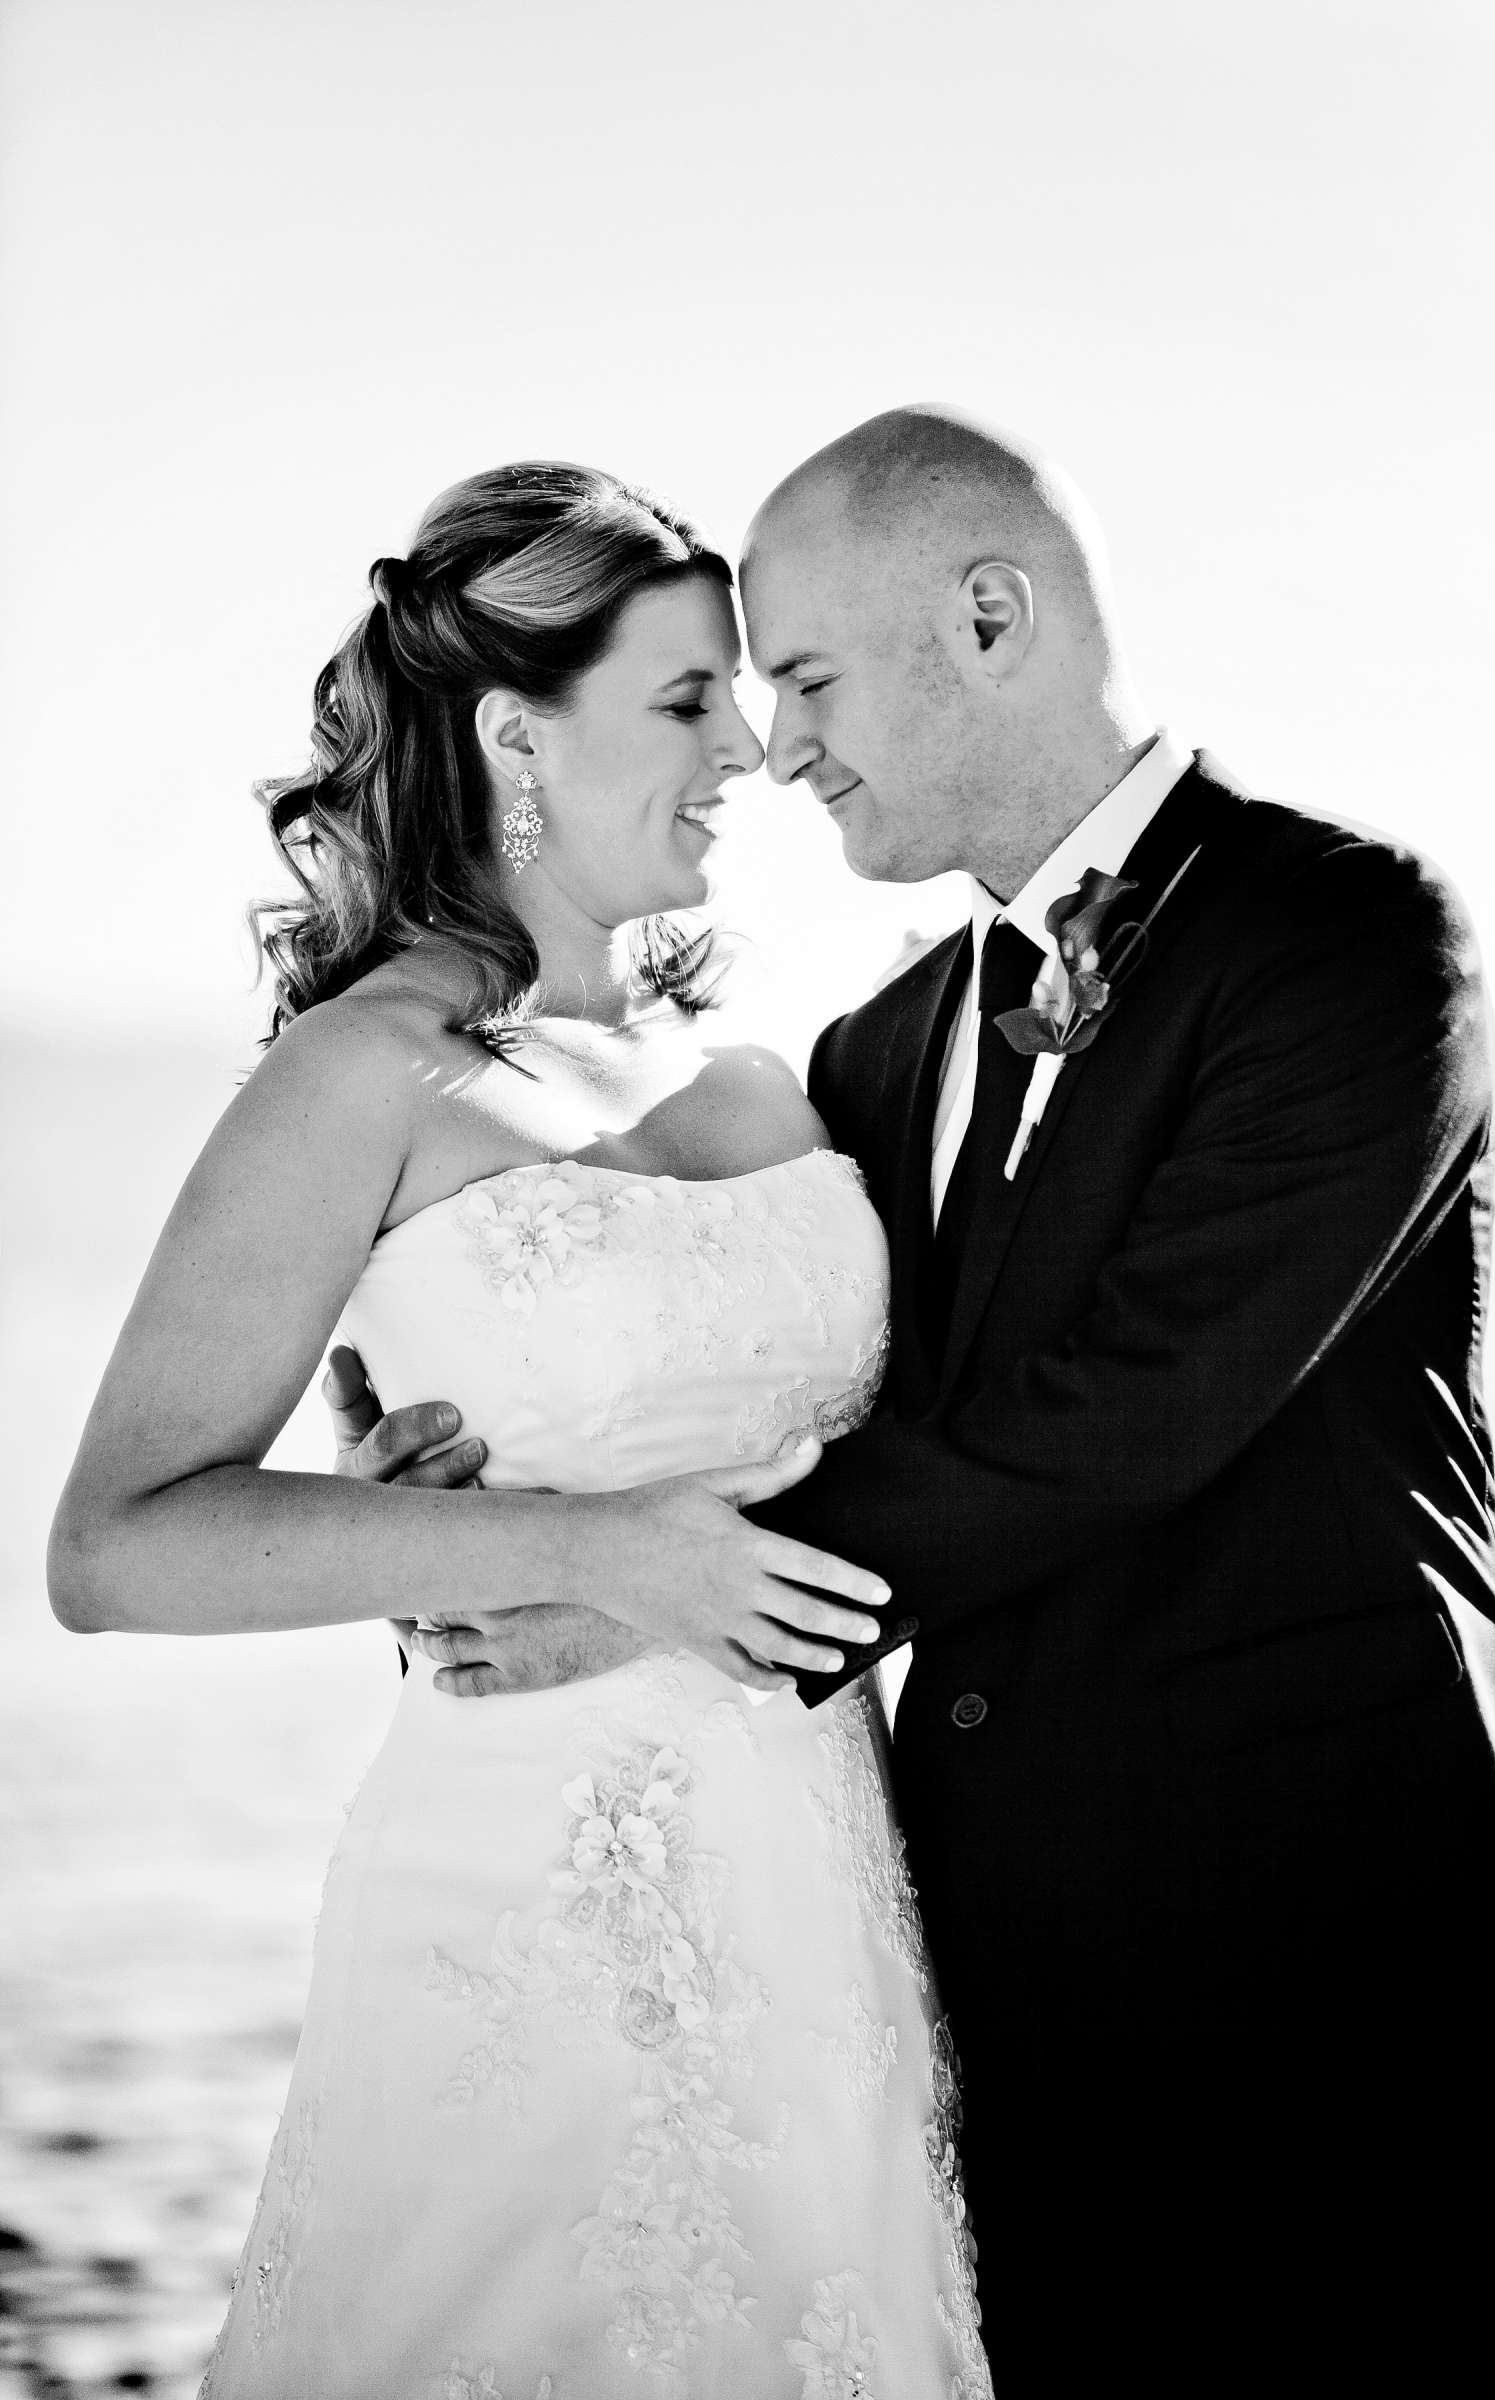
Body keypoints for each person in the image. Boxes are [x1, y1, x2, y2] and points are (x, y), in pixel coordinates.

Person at [349, 409, 1495, 2396]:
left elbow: (1138, 1408)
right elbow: (792, 1410)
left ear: (991, 615)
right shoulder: (873, 1050)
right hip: (999, 2006)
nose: (772, 748)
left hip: (1353, 1987)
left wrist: (668, 1591)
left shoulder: (1343, 941)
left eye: (812, 679)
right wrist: (485, 1493)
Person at [47, 462, 993, 2399]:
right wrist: (575, 1553)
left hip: (820, 1883)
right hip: (524, 1893)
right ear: (510, 737)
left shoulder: (758, 1076)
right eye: (683, 702)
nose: (745, 745)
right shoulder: (359, 1078)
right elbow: (119, 1542)